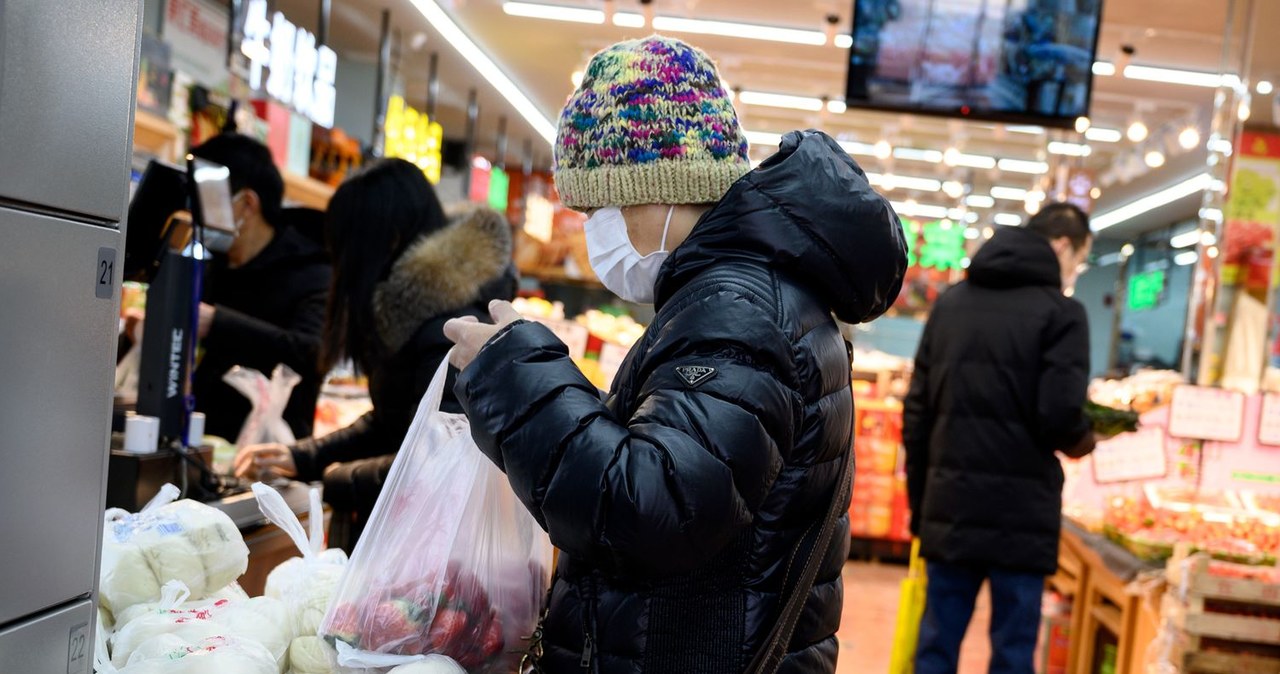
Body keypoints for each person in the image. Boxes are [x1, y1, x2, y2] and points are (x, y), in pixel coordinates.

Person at [443, 36, 906, 674]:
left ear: (659, 188)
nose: (592, 231)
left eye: (599, 206)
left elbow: (654, 507)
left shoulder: (737, 314)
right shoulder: (744, 297)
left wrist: (514, 375)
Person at [234, 158, 516, 549]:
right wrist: (304, 457)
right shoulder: (414, 315)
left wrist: (338, 477)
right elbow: (396, 421)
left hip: (431, 556)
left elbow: (440, 465)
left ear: (390, 239)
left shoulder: (447, 331)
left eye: (348, 248)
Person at [903, 202, 1097, 674]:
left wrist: (921, 507)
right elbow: (1060, 417)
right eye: (1080, 259)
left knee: (936, 647)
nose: (1074, 271)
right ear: (1062, 246)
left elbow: (917, 414)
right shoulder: (1063, 315)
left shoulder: (950, 304)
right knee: (1012, 652)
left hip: (951, 506)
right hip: (1022, 514)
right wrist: (1087, 439)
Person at [186, 133, 332, 442]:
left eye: (207, 202)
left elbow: (310, 353)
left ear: (247, 204)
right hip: (203, 443)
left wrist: (217, 323)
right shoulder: (214, 267)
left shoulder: (311, 270)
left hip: (270, 456)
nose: (197, 215)